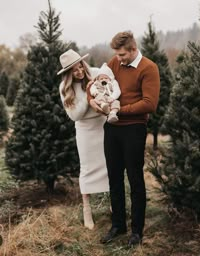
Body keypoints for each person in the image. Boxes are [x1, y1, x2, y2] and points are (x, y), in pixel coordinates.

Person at [88, 31, 160, 246]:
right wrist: (93, 101)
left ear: (133, 49)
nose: (118, 60)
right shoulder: (114, 62)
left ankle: (137, 231)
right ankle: (118, 225)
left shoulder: (149, 68)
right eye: (117, 55)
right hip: (112, 129)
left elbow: (150, 103)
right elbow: (97, 84)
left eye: (122, 55)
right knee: (114, 177)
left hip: (134, 129)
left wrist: (120, 110)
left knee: (135, 180)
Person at [57, 49, 109, 230]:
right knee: (87, 168)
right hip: (85, 130)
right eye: (74, 70)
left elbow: (109, 88)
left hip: (103, 125)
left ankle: (113, 205)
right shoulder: (65, 89)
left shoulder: (94, 73)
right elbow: (75, 116)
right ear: (67, 74)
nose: (79, 72)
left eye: (80, 67)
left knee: (110, 164)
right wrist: (87, 97)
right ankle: (87, 208)